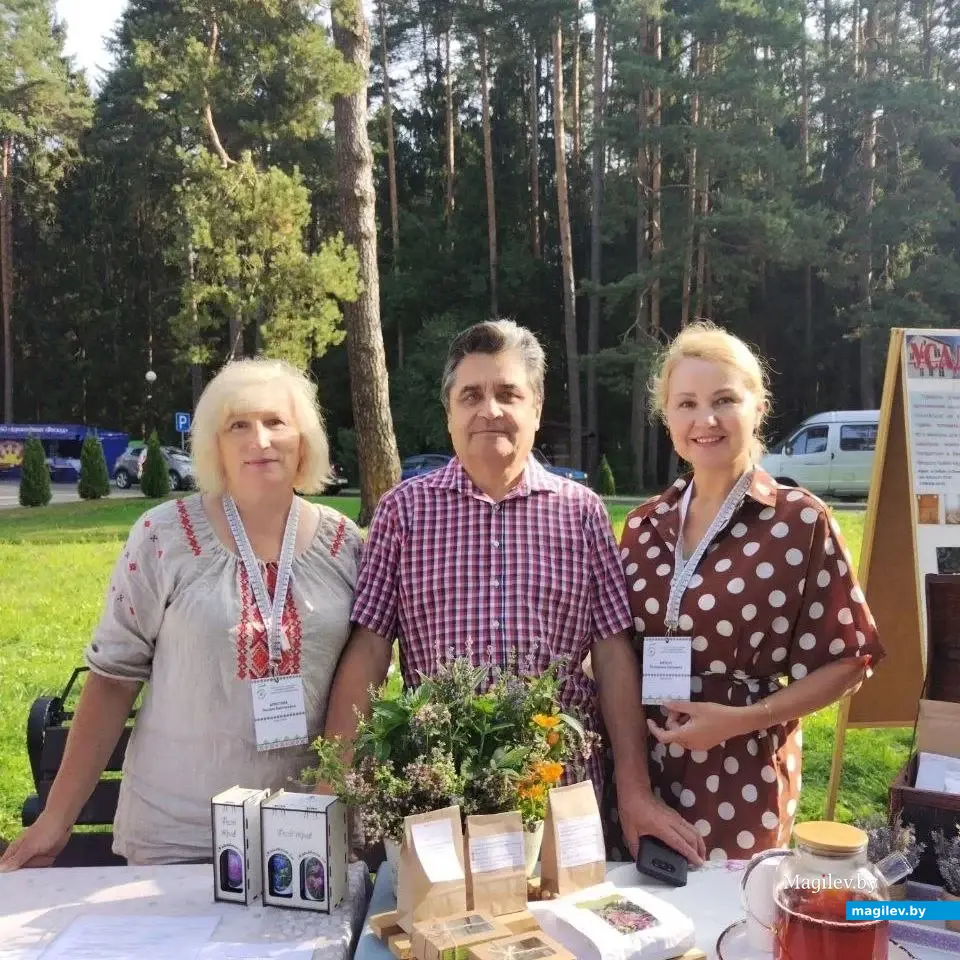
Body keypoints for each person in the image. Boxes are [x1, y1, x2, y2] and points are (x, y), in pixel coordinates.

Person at [323, 319, 707, 866]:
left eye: (508, 393)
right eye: (471, 395)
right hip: (440, 792)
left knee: (558, 942)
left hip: (560, 792)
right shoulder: (402, 513)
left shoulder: (582, 513)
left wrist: (635, 792)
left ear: (536, 405)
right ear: (449, 412)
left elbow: (614, 656)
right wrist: (336, 783)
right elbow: (367, 651)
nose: (490, 410)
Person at [0, 358, 361, 869]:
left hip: (303, 837)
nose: (260, 439)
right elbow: (111, 680)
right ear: (215, 443)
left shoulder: (346, 547)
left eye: (276, 422)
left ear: (304, 438)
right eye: (239, 424)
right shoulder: (163, 538)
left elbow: (362, 684)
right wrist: (55, 820)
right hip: (179, 834)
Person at [607, 322, 885, 862]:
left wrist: (739, 721)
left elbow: (851, 658)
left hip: (741, 770)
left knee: (732, 928)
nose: (704, 420)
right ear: (668, 416)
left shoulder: (799, 521)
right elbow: (615, 647)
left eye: (724, 400)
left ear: (758, 407)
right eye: (686, 403)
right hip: (641, 770)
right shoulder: (644, 525)